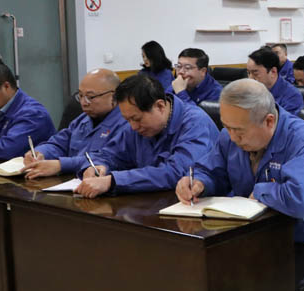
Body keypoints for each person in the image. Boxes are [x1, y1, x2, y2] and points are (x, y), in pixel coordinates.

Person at [176, 79, 304, 286]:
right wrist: (199, 182)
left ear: (269, 121)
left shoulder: (303, 139)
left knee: (248, 282)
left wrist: (260, 192)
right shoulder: (229, 136)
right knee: (199, 267)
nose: (232, 137)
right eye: (226, 127)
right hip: (254, 232)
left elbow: (302, 199)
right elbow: (212, 170)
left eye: (239, 131)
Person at [74, 73, 219, 198]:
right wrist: (96, 165)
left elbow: (177, 172)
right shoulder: (136, 124)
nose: (133, 126)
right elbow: (109, 154)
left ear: (160, 106)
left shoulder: (195, 123)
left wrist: (113, 181)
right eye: (128, 120)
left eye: (136, 119)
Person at [24, 69, 129, 178]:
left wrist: (61, 165)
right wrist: (40, 152)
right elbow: (59, 144)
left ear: (114, 95)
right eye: (81, 96)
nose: (83, 103)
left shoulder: (127, 123)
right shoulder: (82, 120)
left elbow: (106, 158)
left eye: (90, 97)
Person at [246, 47, 304, 115]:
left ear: (273, 72)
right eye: (248, 73)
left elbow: (284, 121)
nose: (250, 78)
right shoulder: (250, 91)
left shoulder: (292, 96)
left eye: (255, 73)